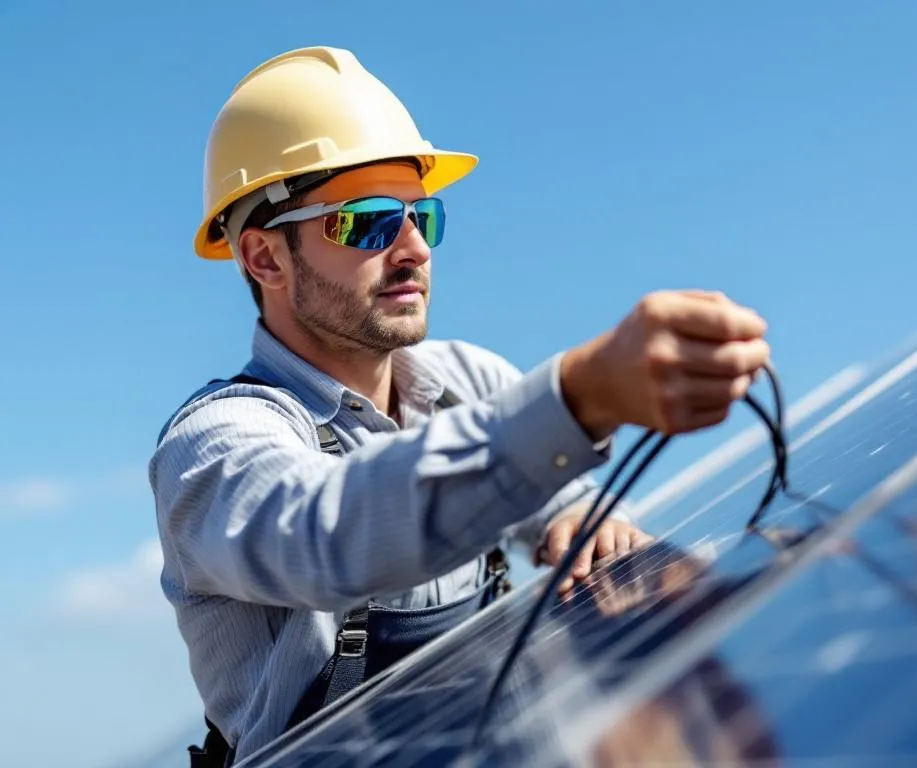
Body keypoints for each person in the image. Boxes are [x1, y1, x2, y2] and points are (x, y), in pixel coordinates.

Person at [149, 45, 771, 766]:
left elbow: (556, 496)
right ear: (264, 259)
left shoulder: (468, 380)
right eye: (369, 221)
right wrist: (580, 395)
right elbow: (330, 534)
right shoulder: (214, 444)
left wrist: (578, 522)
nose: (414, 247)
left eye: (423, 216)